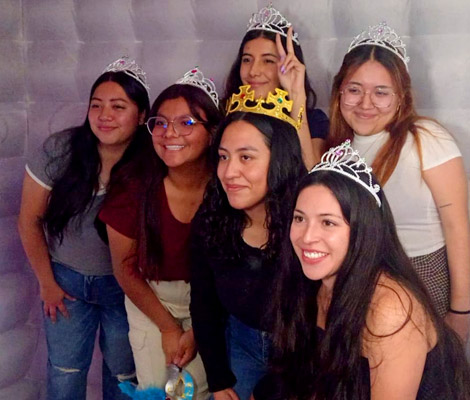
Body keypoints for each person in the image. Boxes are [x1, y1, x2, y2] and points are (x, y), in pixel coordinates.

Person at [261, 141, 470, 400]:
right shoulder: (311, 281)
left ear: (364, 230)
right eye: (300, 218)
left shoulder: (390, 310)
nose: (307, 237)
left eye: (328, 222)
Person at [324, 22, 470, 341]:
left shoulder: (427, 139)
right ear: (339, 92)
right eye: (354, 89)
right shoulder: (338, 149)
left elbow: (458, 227)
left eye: (381, 92)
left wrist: (461, 312)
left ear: (401, 97)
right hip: (356, 281)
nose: (366, 103)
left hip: (420, 278)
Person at [17, 56, 151, 400]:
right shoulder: (61, 149)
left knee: (123, 375)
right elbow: (29, 220)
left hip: (126, 288)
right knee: (65, 373)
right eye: (96, 105)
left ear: (140, 116)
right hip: (66, 282)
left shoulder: (152, 162)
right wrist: (47, 283)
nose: (104, 115)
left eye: (118, 106)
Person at [99, 67, 222, 399]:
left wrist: (199, 329)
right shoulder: (132, 187)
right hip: (152, 302)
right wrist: (168, 327)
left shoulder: (229, 187)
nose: (170, 133)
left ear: (212, 132)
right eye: (161, 123)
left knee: (201, 394)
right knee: (159, 391)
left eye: (186, 122)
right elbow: (124, 269)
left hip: (213, 305)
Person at [190, 85, 307, 400]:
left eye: (246, 157)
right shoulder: (211, 218)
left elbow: (326, 324)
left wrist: (271, 391)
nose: (229, 172)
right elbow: (204, 303)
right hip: (240, 344)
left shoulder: (309, 226)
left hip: (304, 354)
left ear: (280, 159)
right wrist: (218, 378)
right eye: (223, 157)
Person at [223, 4, 329, 167]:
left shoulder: (314, 120)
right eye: (247, 59)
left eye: (268, 61)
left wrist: (297, 97)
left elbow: (311, 172)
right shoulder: (225, 113)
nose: (253, 71)